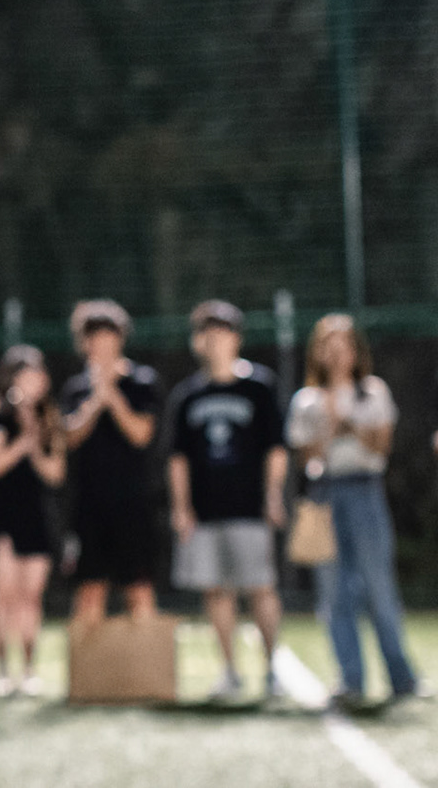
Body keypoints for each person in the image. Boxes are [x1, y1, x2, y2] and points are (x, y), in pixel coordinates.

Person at [287, 314, 425, 706]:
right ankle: (350, 679)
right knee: (333, 591)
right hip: (324, 494)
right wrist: (331, 423)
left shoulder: (373, 392)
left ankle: (402, 677)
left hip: (365, 491)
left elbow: (381, 445)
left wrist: (350, 424)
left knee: (379, 585)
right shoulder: (308, 400)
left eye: (343, 342)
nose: (335, 350)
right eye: (327, 343)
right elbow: (305, 455)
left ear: (355, 349)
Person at [165, 300, 287, 701]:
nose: (216, 341)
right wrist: (181, 508)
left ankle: (273, 669)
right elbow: (178, 459)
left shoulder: (258, 386)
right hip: (205, 511)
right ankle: (230, 670)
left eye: (224, 333)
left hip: (249, 507)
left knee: (261, 587)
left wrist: (273, 495)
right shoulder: (187, 396)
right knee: (215, 590)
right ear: (198, 342)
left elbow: (275, 448)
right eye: (208, 334)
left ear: (237, 338)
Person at [58, 299, 163, 628]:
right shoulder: (76, 389)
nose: (101, 345)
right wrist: (95, 399)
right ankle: (89, 677)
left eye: (108, 337)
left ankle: (148, 673)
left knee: (139, 588)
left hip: (134, 504)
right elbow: (68, 438)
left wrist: (112, 396)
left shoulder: (142, 382)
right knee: (89, 591)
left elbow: (141, 435)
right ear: (84, 343)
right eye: (94, 338)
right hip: (88, 506)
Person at [0, 344, 65, 697]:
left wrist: (36, 439)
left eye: (37, 376)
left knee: (31, 596)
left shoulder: (49, 417)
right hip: (1, 513)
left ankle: (28, 670)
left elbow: (55, 473)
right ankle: (2, 670)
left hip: (36, 512)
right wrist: (24, 440)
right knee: (4, 594)